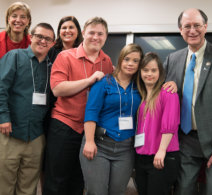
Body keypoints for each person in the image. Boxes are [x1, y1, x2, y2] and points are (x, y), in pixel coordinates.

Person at [163, 8, 212, 195]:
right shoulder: (172, 59)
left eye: (197, 25)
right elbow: (162, 97)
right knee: (183, 190)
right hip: (185, 141)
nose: (192, 30)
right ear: (180, 30)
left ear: (205, 27)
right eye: (187, 26)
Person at [43, 17, 114, 195]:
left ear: (106, 36)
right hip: (64, 125)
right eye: (91, 33)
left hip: (90, 130)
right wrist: (89, 80)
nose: (95, 37)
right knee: (56, 180)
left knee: (79, 180)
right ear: (84, 34)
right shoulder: (65, 56)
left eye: (100, 33)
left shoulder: (107, 62)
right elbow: (57, 89)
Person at [79, 43, 143, 195]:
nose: (130, 64)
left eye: (136, 61)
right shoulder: (104, 82)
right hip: (100, 146)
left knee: (118, 191)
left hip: (125, 149)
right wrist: (89, 141)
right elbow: (91, 112)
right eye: (127, 59)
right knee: (97, 192)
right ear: (120, 59)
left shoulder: (140, 87)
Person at [0, 23, 55, 195]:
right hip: (10, 132)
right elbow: (1, 88)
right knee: (4, 185)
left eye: (48, 39)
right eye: (39, 36)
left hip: (36, 136)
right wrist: (3, 118)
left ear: (53, 43)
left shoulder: (52, 67)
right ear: (31, 36)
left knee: (28, 187)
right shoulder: (15, 56)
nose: (43, 41)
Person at [134, 52, 180, 195]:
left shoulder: (168, 93)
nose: (149, 74)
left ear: (160, 72)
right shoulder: (140, 95)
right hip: (142, 156)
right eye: (145, 70)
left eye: (153, 70)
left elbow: (170, 125)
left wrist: (161, 151)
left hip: (161, 156)